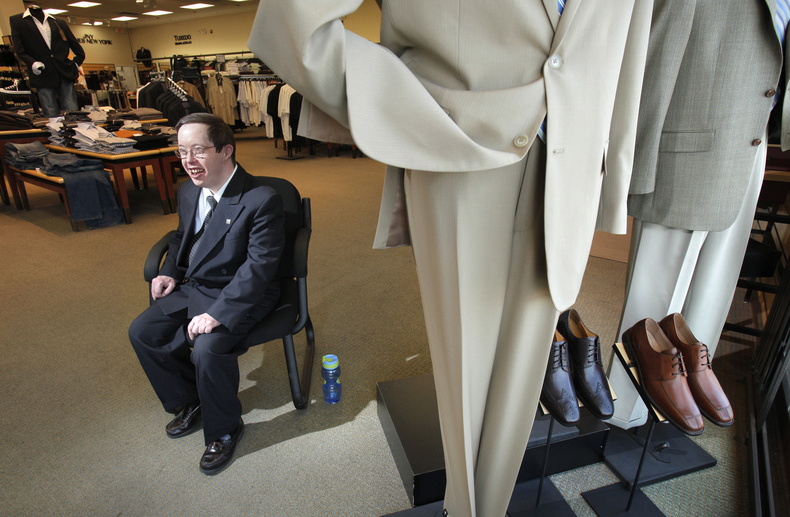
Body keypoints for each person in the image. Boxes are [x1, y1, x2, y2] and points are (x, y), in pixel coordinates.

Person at [248, 1, 653, 515]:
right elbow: (292, 19)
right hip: (456, 150)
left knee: (523, 378)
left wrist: (612, 182)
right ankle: (464, 508)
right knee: (465, 366)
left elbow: (625, 49)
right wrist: (395, 105)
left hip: (570, 169)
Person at [608, 0, 790, 430]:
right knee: (655, 295)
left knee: (715, 284)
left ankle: (679, 399)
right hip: (689, 148)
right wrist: (635, 166)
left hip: (752, 143)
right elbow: (659, 46)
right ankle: (623, 415)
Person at [129, 113, 285, 475]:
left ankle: (225, 429)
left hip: (242, 291)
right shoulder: (188, 190)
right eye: (182, 151)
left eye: (198, 150)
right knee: (142, 332)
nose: (188, 161)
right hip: (196, 285)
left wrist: (218, 313)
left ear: (227, 150)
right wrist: (169, 272)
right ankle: (190, 401)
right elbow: (181, 236)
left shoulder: (261, 199)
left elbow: (259, 268)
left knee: (208, 348)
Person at [9, 5, 85, 118]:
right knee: (50, 111)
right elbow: (19, 50)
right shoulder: (18, 21)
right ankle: (56, 135)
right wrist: (33, 63)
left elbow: (79, 51)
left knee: (71, 111)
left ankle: (75, 133)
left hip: (64, 71)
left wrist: (74, 65)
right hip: (42, 72)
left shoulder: (58, 23)